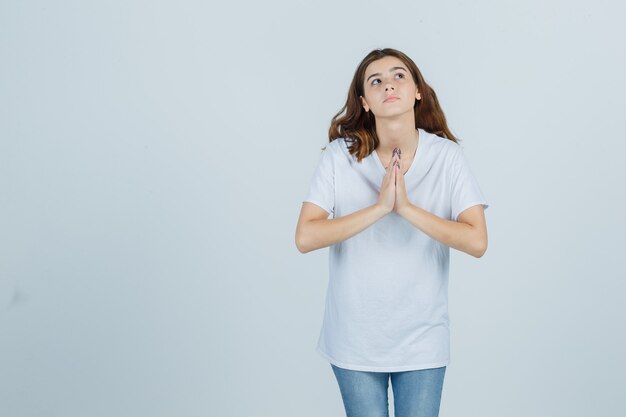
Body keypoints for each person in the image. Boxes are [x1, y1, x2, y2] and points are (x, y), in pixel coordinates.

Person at [295, 47, 490, 417]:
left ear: (418, 91)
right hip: (354, 336)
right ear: (364, 102)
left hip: (423, 337)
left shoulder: (447, 157)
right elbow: (306, 237)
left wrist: (407, 209)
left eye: (399, 75)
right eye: (376, 80)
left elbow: (477, 241)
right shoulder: (340, 156)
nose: (389, 85)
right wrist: (380, 208)